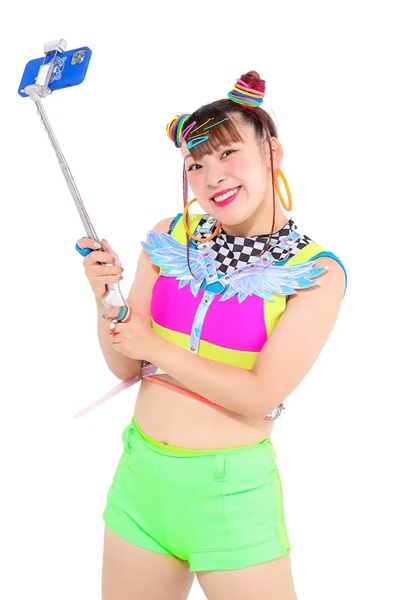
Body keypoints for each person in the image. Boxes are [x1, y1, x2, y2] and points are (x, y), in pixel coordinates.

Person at [76, 71, 347, 600]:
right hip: (139, 485)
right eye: (196, 163)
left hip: (231, 501)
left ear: (272, 152)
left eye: (228, 153)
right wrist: (104, 295)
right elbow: (124, 364)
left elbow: (260, 395)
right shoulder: (169, 237)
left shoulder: (314, 273)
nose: (212, 176)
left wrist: (154, 347)